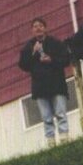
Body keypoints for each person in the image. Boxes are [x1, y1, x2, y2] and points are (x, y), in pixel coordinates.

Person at [18, 17, 72, 145]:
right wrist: (33, 53)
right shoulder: (28, 47)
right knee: (46, 117)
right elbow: (23, 65)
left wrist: (51, 60)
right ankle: (51, 141)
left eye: (41, 25)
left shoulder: (55, 43)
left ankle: (64, 138)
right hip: (40, 87)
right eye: (35, 26)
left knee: (60, 113)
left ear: (45, 28)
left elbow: (66, 59)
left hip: (57, 84)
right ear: (32, 30)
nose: (38, 28)